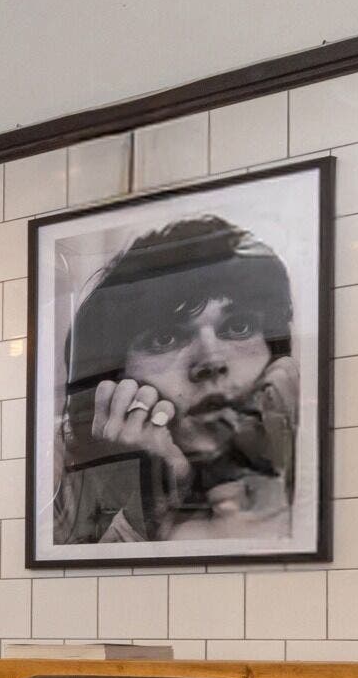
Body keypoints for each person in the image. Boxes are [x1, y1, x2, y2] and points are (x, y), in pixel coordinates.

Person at [50, 217, 303, 546]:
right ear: (115, 378)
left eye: (238, 327)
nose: (211, 360)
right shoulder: (63, 463)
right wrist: (128, 489)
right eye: (165, 338)